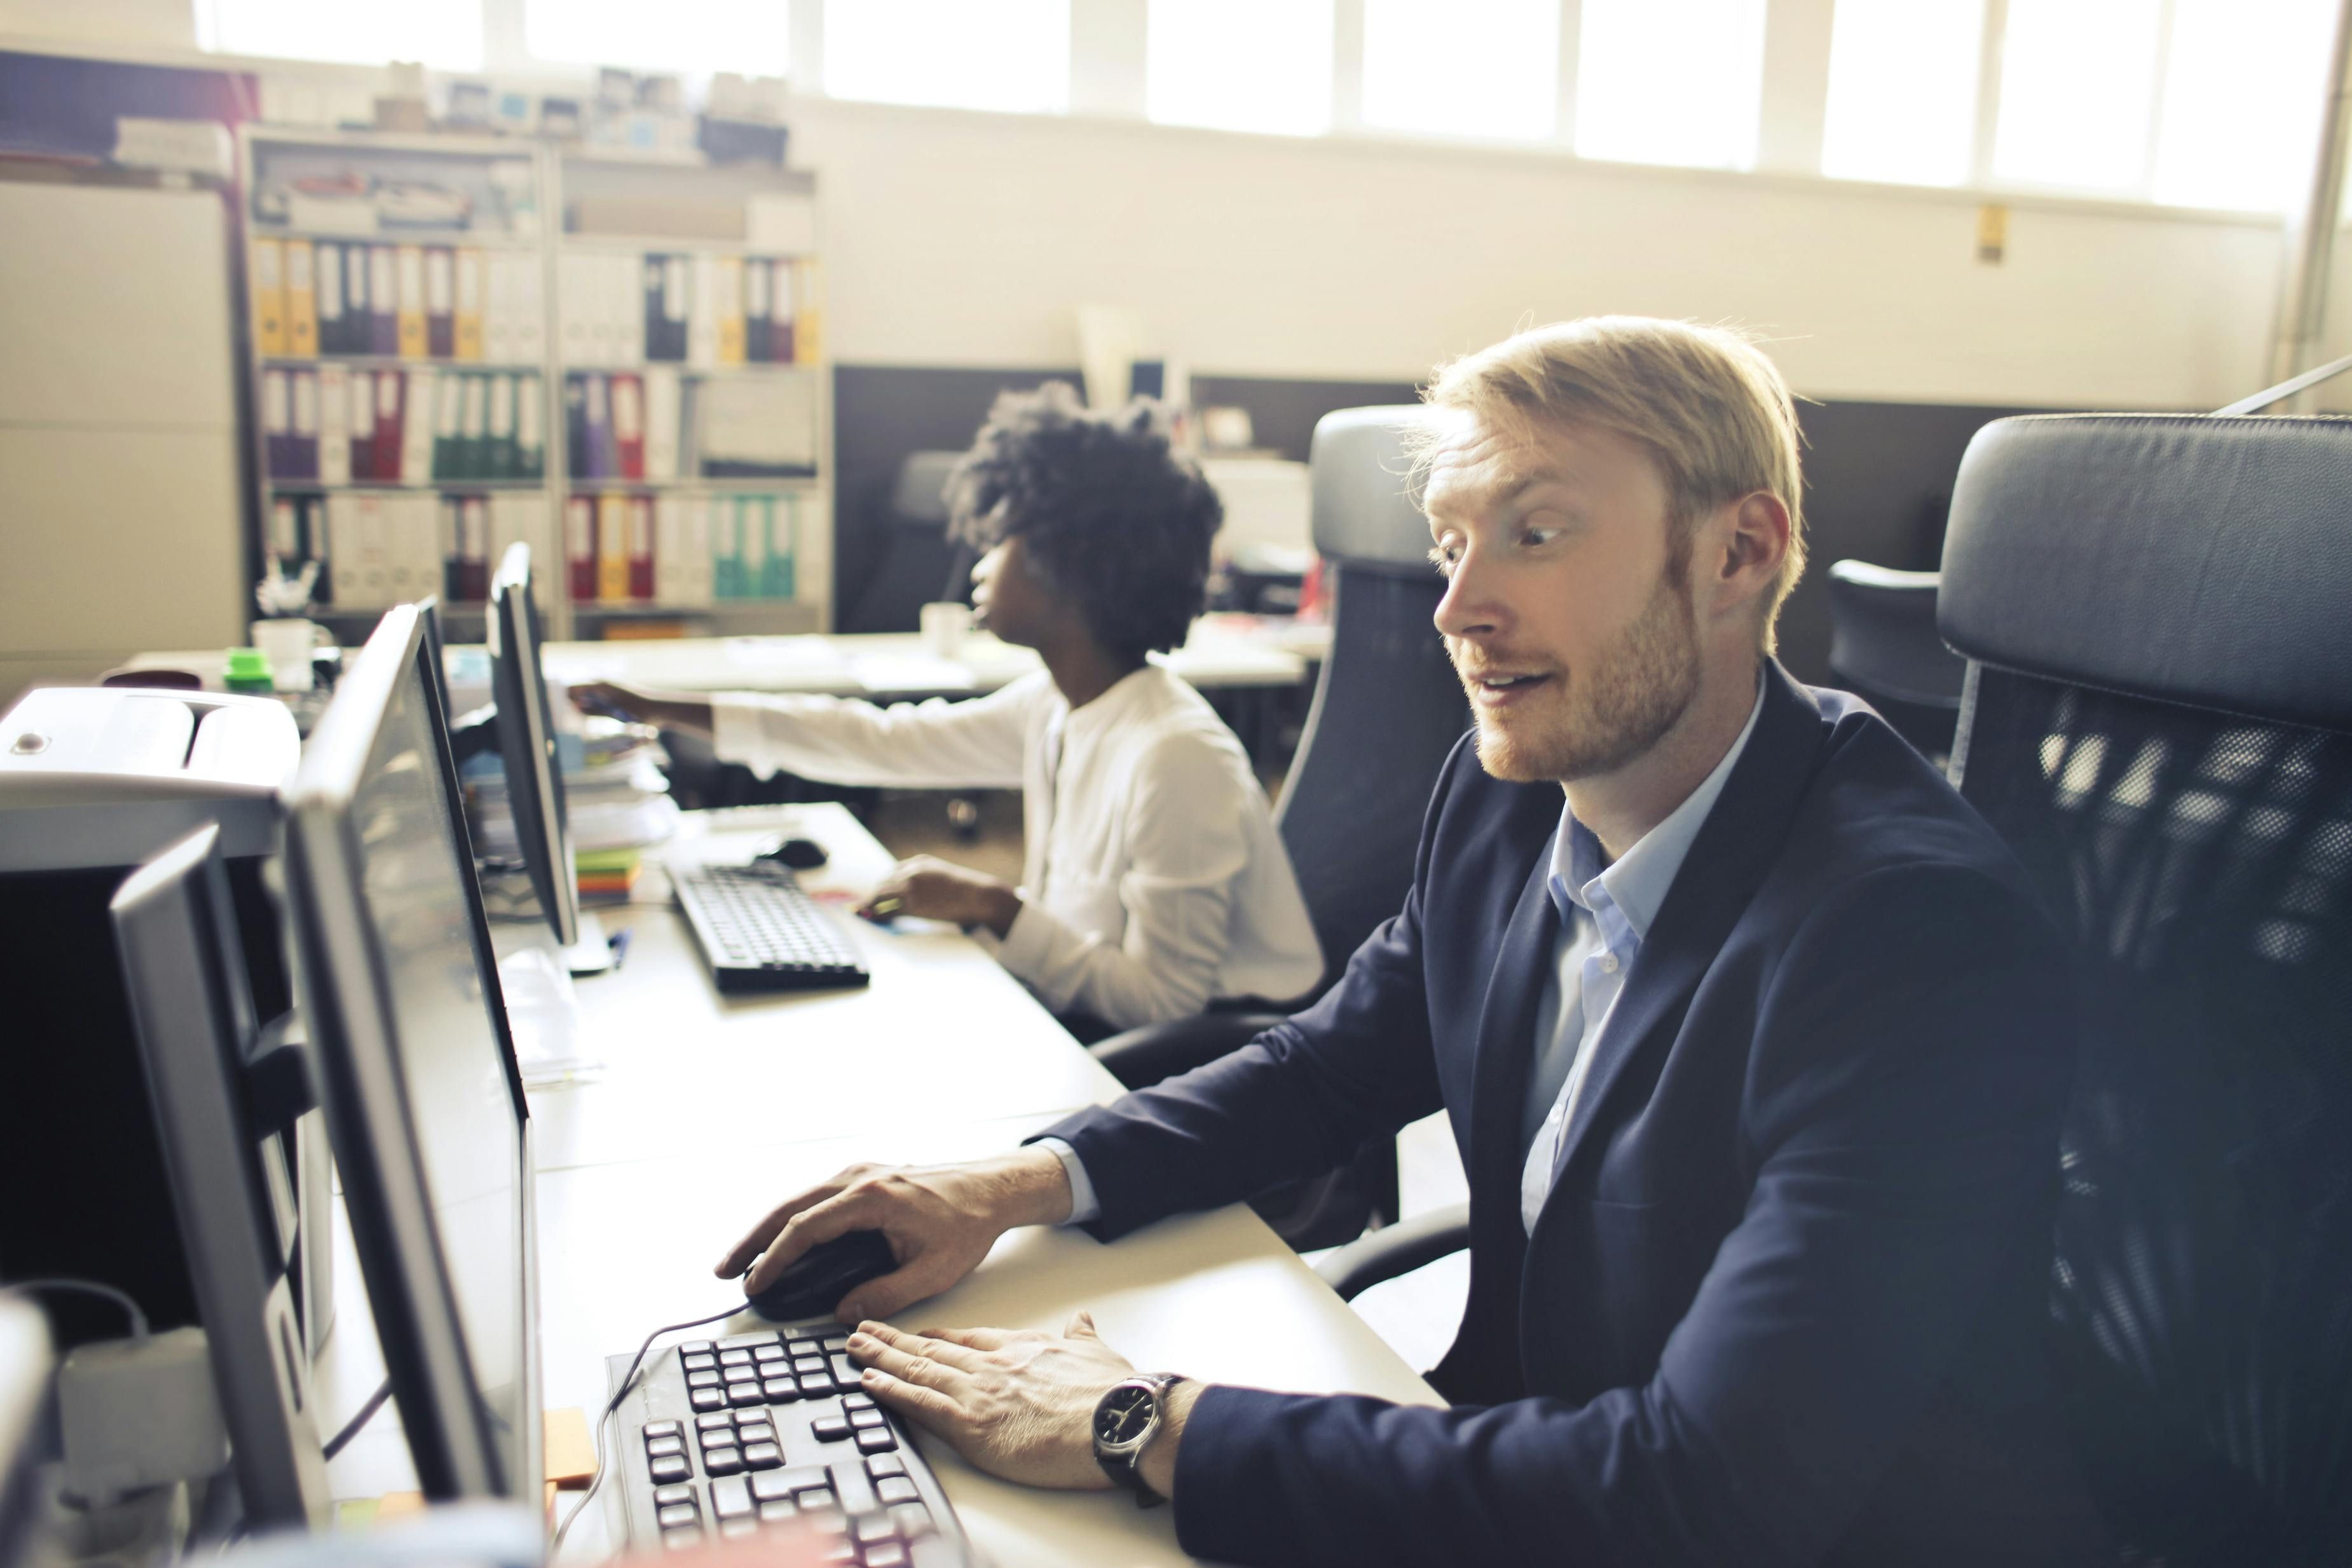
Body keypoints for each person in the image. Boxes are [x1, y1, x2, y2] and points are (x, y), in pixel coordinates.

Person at [713, 318, 2107, 1567]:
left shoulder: (1906, 937)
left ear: (1737, 552)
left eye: (1536, 533)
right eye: (1451, 546)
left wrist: (1142, 1423)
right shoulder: (1511, 796)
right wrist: (1002, 1189)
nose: (1457, 609)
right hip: (1508, 1476)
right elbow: (1329, 1068)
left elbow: (1706, 1491)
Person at [575, 384, 1321, 1035]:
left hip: (1207, 1067)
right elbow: (878, 740)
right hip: (1092, 1021)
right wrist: (665, 708)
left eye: (1005, 538)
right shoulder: (1060, 704)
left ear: (1071, 566)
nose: (982, 561)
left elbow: (1163, 1006)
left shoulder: (1174, 758)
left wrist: (994, 905)